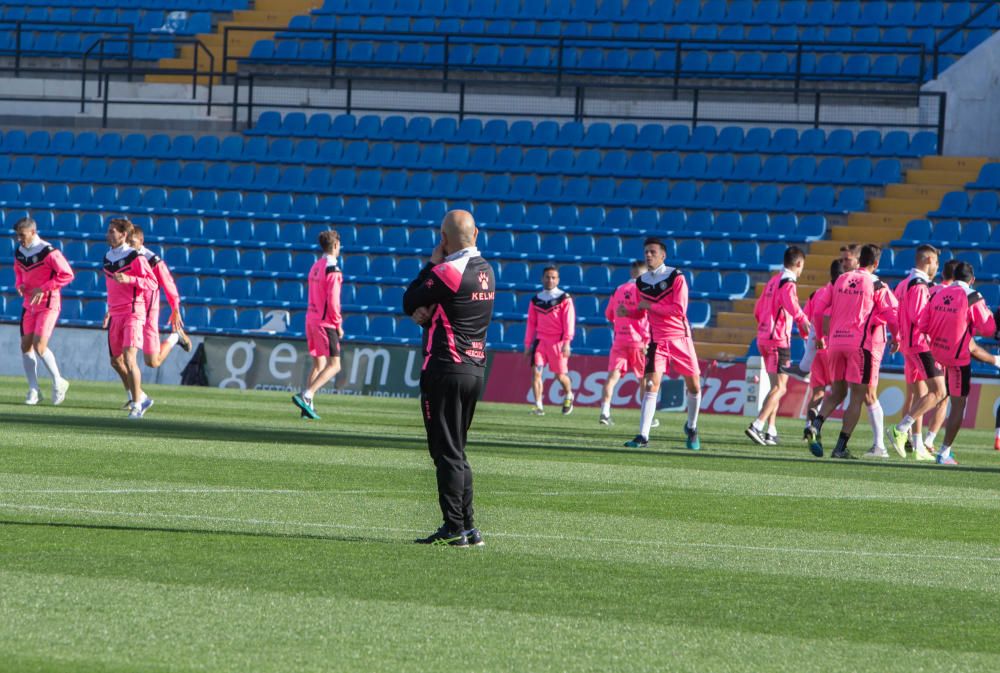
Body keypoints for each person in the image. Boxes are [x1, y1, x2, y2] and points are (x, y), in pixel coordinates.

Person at [403, 210, 494, 547]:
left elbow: (410, 299)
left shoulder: (447, 271)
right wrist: (431, 315)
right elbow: (448, 309)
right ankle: (469, 527)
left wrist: (430, 264)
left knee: (445, 452)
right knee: (458, 450)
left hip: (445, 367)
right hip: (474, 369)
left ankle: (454, 525)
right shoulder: (487, 270)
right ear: (476, 233)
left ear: (443, 239)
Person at [889, 261, 996, 465]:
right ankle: (942, 451)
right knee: (956, 403)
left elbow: (924, 324)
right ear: (972, 280)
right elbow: (988, 329)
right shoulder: (973, 296)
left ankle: (922, 440)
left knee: (931, 393)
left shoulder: (936, 293)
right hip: (957, 357)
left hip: (936, 351)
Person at [804, 244, 898, 459]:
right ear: (875, 263)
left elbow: (818, 310)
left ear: (858, 260)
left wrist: (819, 336)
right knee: (857, 396)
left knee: (836, 392)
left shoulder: (839, 280)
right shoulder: (876, 284)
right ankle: (840, 447)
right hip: (859, 345)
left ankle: (815, 425)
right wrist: (898, 336)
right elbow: (891, 314)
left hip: (835, 343)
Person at [624, 237, 701, 450]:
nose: (648, 255)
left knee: (694, 386)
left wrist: (651, 305)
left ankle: (692, 427)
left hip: (680, 339)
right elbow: (641, 310)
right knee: (650, 385)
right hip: (657, 340)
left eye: (653, 252)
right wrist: (628, 312)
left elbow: (679, 310)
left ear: (663, 255)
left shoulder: (676, 277)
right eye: (646, 252)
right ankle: (643, 436)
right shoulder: (641, 282)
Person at [746, 246, 810, 446]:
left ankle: (770, 430)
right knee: (781, 388)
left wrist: (765, 326)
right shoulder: (788, 282)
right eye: (802, 267)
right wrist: (803, 322)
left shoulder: (773, 280)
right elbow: (791, 304)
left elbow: (757, 310)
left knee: (775, 387)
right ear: (798, 263)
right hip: (778, 340)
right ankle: (757, 425)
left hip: (764, 337)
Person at [13, 216, 74, 405]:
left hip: (48, 303)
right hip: (29, 303)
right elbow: (18, 270)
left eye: (22, 235)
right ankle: (34, 389)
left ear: (33, 232)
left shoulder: (49, 252)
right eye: (17, 236)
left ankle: (58, 381)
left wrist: (45, 287)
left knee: (40, 345)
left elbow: (67, 274)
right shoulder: (20, 251)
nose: (19, 239)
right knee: (25, 345)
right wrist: (20, 284)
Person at [103, 217, 158, 419]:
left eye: (112, 231)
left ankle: (137, 404)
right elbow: (111, 287)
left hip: (133, 312)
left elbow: (152, 283)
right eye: (109, 231)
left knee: (129, 358)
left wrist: (130, 279)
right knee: (115, 361)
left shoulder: (135, 257)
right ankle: (141, 396)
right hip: (116, 312)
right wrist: (109, 309)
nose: (108, 234)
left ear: (123, 234)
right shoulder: (108, 257)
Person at [890, 244, 940, 461]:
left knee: (921, 395)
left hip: (908, 345)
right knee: (939, 392)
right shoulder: (919, 285)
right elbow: (920, 318)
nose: (937, 267)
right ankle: (901, 429)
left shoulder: (902, 284)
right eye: (936, 262)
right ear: (928, 260)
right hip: (920, 344)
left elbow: (896, 312)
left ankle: (918, 446)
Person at [292, 230, 344, 420]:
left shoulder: (316, 266)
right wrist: (338, 324)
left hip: (311, 319)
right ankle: (307, 395)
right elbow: (333, 300)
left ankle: (307, 407)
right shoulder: (333, 269)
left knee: (318, 363)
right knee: (335, 365)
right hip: (325, 322)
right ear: (336, 245)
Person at [598, 260, 654, 427]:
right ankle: (646, 417)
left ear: (632, 272)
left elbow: (608, 314)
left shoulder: (618, 290)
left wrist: (621, 322)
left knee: (612, 377)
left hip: (620, 340)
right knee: (644, 380)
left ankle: (605, 412)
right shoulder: (645, 291)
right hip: (639, 342)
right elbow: (648, 315)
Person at [130, 226, 192, 366]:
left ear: (141, 241)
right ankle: (133, 388)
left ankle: (175, 337)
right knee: (120, 356)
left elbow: (169, 284)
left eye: (132, 242)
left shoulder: (153, 261)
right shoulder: (123, 256)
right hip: (129, 310)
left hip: (147, 311)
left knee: (152, 362)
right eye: (127, 242)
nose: (129, 246)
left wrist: (175, 309)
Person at [800, 260, 844, 438]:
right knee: (838, 393)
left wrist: (812, 341)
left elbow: (806, 321)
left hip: (818, 349)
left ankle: (808, 424)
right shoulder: (845, 294)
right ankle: (818, 425)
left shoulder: (817, 294)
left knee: (817, 391)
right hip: (835, 348)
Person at [524, 266, 575, 416]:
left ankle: (569, 395)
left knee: (560, 376)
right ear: (542, 278)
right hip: (540, 342)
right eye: (547, 277)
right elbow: (531, 323)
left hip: (557, 343)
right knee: (536, 373)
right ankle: (538, 405)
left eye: (553, 277)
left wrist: (567, 342)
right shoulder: (536, 299)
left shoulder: (564, 298)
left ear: (558, 280)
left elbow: (569, 321)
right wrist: (527, 344)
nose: (550, 280)